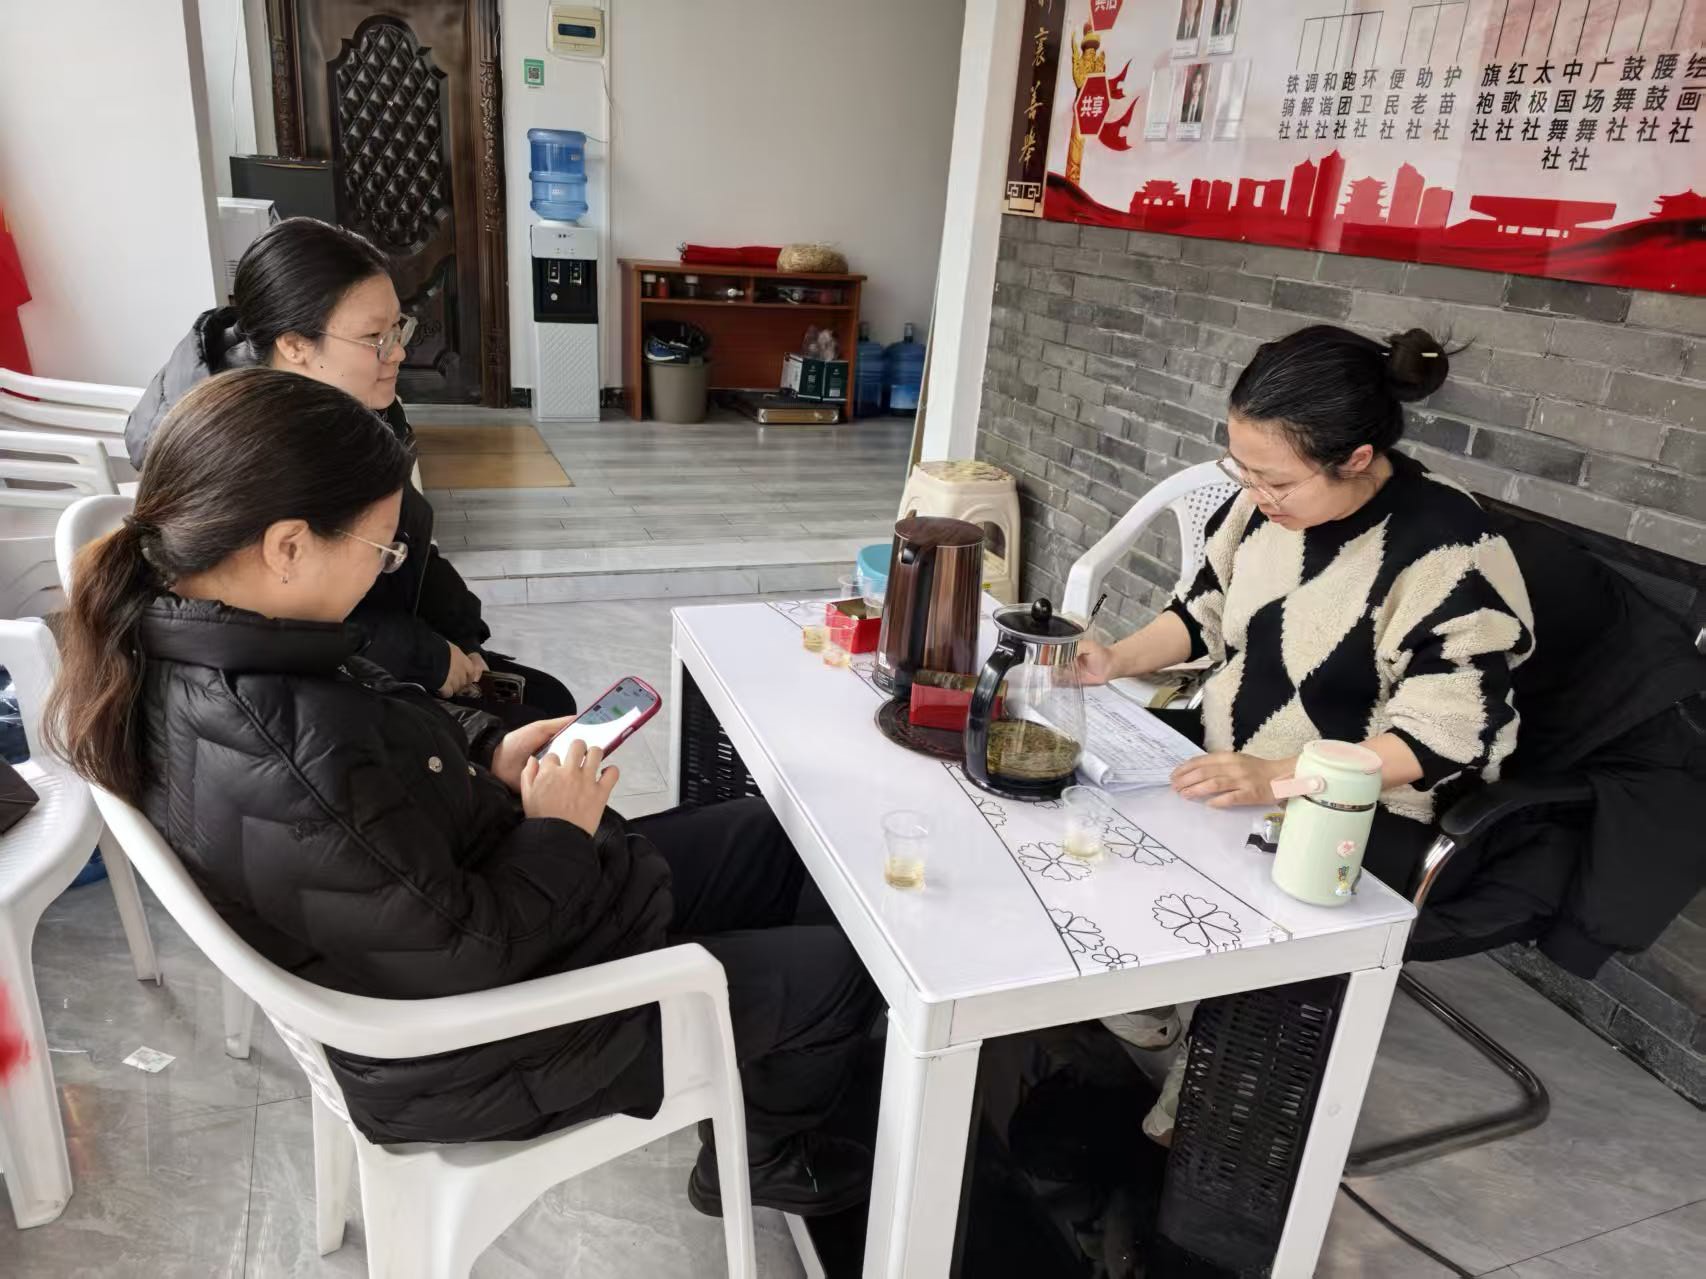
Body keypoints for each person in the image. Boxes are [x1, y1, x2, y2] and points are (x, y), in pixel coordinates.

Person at [52, 368, 880, 1217]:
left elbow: (385, 752)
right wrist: (558, 831)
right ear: (288, 546)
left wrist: (489, 752)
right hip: (485, 1045)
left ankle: (765, 1060)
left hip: (491, 908)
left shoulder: (223, 639)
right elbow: (469, 952)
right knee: (846, 974)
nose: (385, 570)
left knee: (779, 838)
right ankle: (762, 1155)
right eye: (381, 549)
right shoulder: (279, 748)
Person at [1079, 325, 1534, 894]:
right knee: (1071, 797)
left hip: (1367, 806)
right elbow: (1203, 613)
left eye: (1274, 480)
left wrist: (1277, 777)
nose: (1254, 493)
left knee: (1174, 894)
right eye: (1241, 470)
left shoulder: (1449, 549)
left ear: (1356, 459)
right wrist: (1113, 660)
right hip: (1231, 756)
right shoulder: (1259, 508)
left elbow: (1446, 735)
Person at [125, 216, 572, 729]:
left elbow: (402, 540)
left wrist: (462, 635)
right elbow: (277, 625)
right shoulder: (231, 455)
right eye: (374, 336)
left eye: (398, 327)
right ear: (295, 344)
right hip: (311, 683)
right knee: (536, 725)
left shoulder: (358, 400)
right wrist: (427, 658)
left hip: (376, 638)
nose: (398, 352)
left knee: (547, 701)